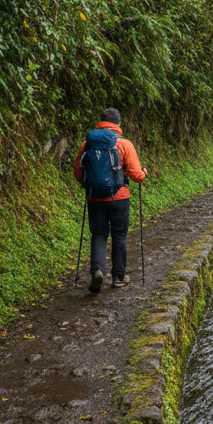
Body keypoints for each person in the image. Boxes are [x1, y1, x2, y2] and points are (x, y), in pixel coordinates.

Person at [73, 108, 147, 293]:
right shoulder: (125, 145)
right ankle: (118, 277)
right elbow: (137, 176)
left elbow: (78, 173)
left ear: (101, 123)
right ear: (118, 125)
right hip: (119, 198)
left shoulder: (87, 144)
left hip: (95, 198)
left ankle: (98, 271)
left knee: (98, 234)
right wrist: (144, 173)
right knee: (119, 235)